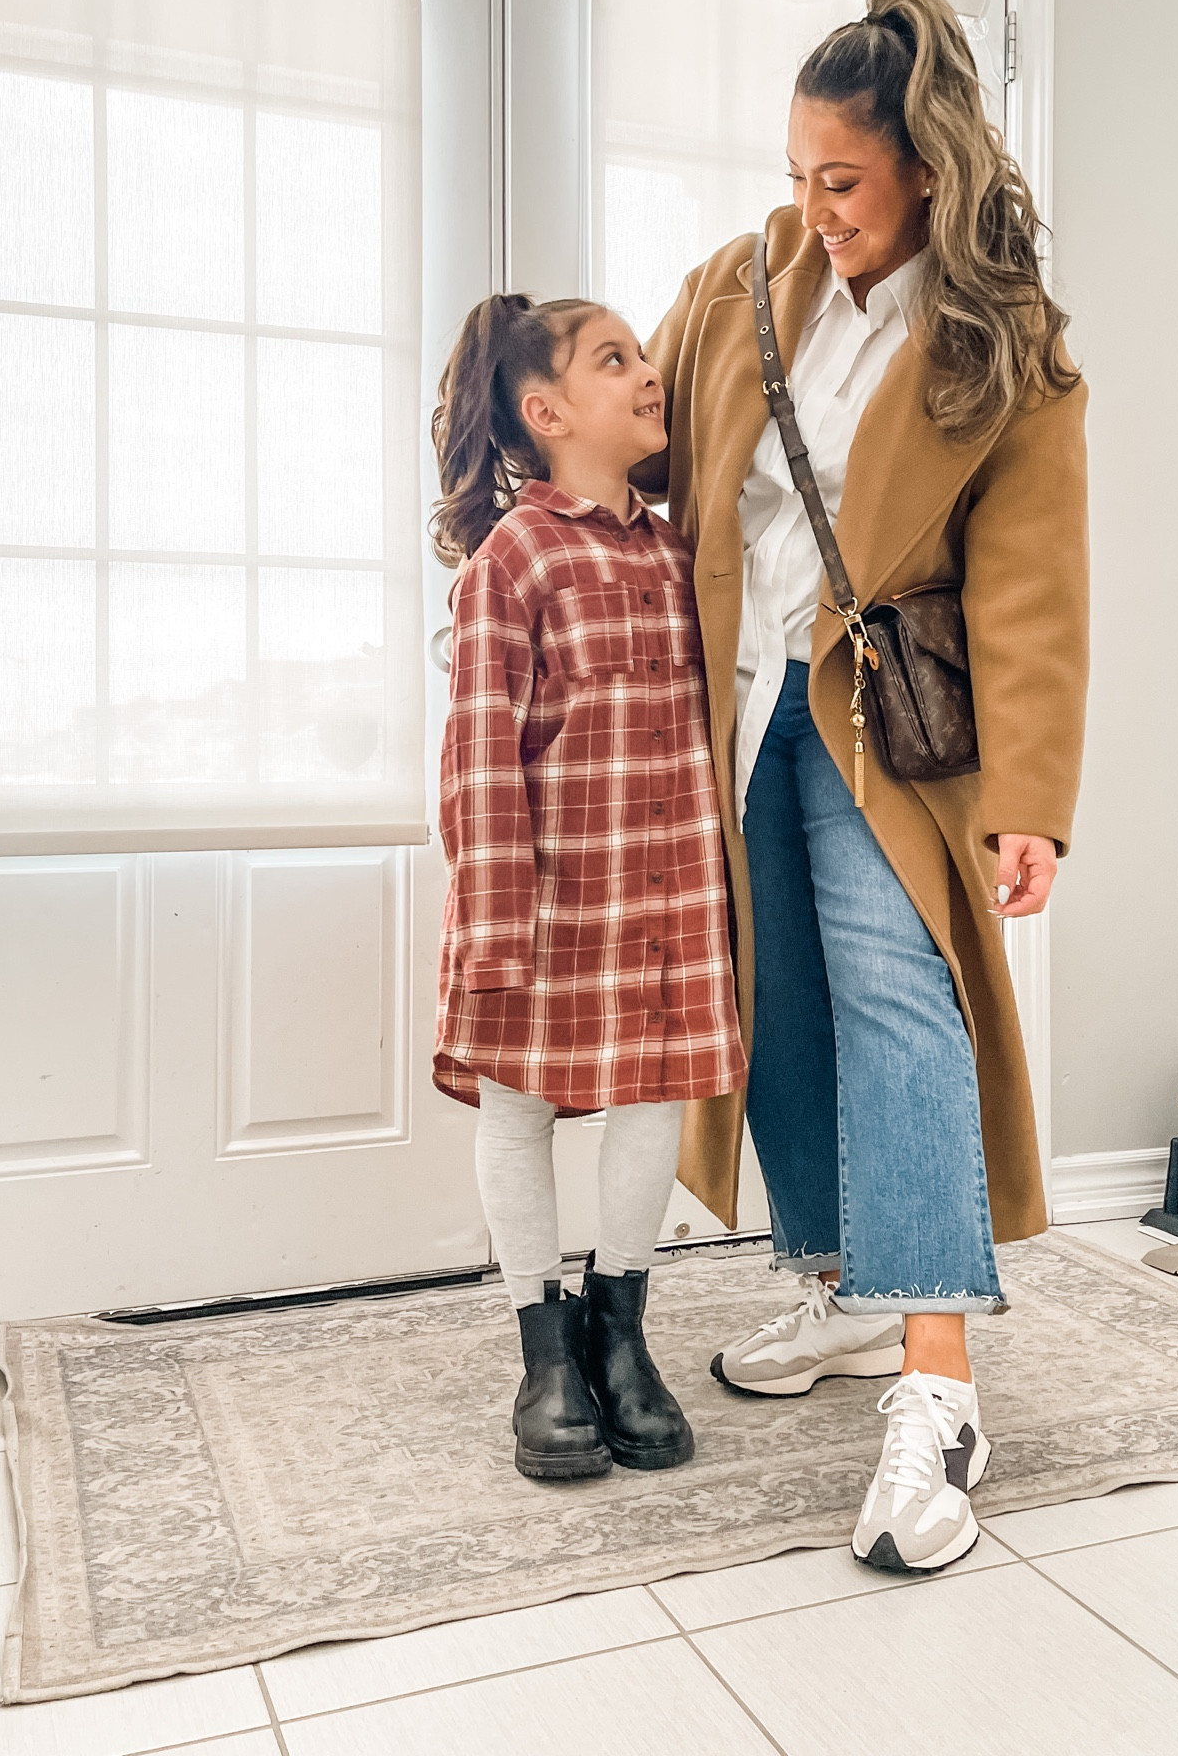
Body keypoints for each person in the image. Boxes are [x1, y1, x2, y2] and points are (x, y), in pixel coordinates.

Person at [636, 0, 1089, 1572]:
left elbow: (1032, 583)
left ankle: (939, 1386)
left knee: (900, 999)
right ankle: (840, 1280)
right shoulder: (745, 280)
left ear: (926, 166)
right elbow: (647, 450)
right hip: (729, 704)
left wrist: (1028, 793)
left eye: (843, 179)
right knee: (770, 1007)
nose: (814, 205)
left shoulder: (1001, 347)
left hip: (879, 723)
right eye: (801, 173)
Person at [430, 292, 748, 1483]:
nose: (649, 371)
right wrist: (498, 922)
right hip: (545, 898)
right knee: (519, 1110)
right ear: (547, 409)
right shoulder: (516, 556)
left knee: (653, 1098)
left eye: (646, 353)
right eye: (618, 359)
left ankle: (621, 1328)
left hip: (661, 895)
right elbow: (476, 749)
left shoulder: (677, 553)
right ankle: (542, 1346)